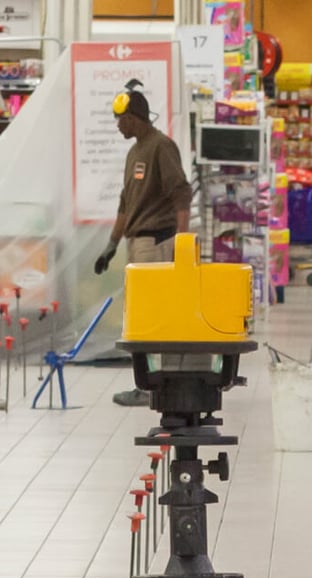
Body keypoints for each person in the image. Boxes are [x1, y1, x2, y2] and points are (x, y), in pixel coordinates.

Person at [92, 83, 192, 406]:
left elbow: (181, 193)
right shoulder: (134, 151)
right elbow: (125, 203)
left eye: (121, 119)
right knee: (139, 315)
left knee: (150, 315)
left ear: (135, 118)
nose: (118, 125)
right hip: (137, 243)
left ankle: (152, 386)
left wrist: (182, 241)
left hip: (156, 242)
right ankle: (146, 384)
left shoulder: (161, 147)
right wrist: (111, 245)